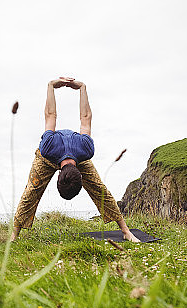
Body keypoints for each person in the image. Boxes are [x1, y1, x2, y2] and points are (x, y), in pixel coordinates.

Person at [11, 77, 140, 242]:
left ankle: (126, 231)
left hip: (74, 155)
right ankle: (14, 235)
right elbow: (72, 117)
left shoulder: (84, 150)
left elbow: (65, 116)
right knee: (31, 191)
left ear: (79, 174)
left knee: (100, 189)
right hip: (46, 158)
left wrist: (80, 88)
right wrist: (54, 86)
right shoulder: (49, 147)